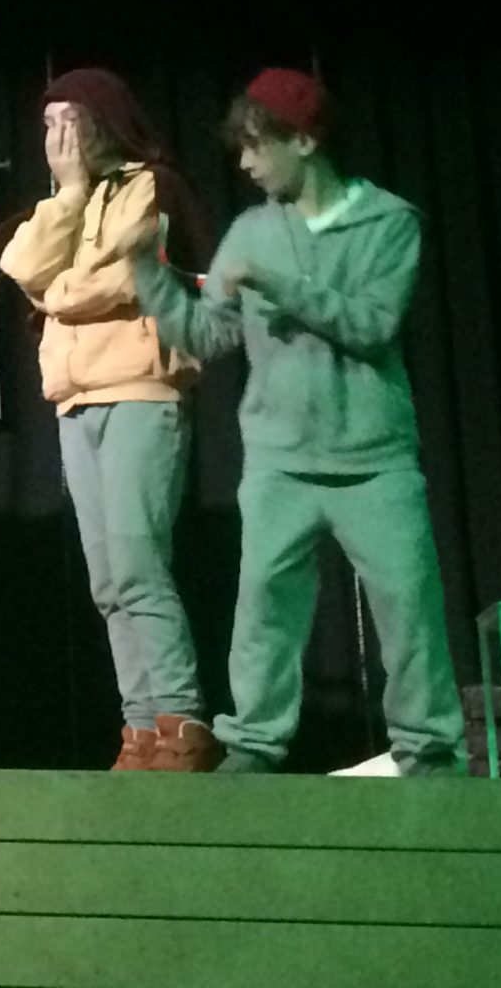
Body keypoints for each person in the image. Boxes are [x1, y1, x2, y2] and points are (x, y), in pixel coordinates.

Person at [127, 68, 465, 775]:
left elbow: (372, 325)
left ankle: (429, 751)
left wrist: (278, 283)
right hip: (279, 459)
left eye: (257, 146)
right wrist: (148, 272)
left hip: (374, 459)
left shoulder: (390, 223)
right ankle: (253, 745)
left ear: (304, 141)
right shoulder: (253, 230)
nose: (246, 164)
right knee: (264, 614)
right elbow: (207, 333)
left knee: (410, 610)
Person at [0, 69, 221, 772]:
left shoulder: (149, 185)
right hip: (75, 398)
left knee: (138, 564)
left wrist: (56, 293)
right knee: (107, 581)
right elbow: (20, 264)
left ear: (102, 121)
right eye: (46, 125)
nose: (54, 138)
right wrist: (67, 195)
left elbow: (126, 277)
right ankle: (141, 729)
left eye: (67, 121)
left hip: (141, 391)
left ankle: (182, 720)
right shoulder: (69, 199)